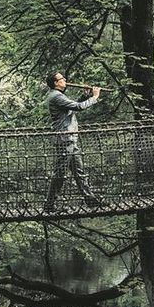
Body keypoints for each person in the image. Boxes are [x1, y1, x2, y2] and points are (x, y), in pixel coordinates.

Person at [44, 72, 101, 212]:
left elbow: (71, 108)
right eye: (62, 79)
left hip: (70, 140)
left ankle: (91, 201)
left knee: (79, 172)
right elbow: (78, 107)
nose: (65, 80)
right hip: (64, 139)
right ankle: (49, 205)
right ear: (56, 82)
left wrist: (85, 96)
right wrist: (94, 97)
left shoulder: (59, 96)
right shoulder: (56, 96)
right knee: (60, 173)